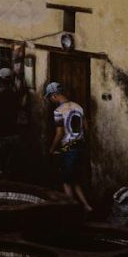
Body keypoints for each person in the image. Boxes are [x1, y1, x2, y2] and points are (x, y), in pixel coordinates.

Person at [45, 82, 92, 213]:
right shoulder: (78, 107)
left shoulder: (58, 111)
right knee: (74, 180)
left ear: (54, 95)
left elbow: (60, 133)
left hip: (68, 148)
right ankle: (86, 206)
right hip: (80, 146)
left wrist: (52, 148)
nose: (51, 100)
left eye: (50, 97)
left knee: (66, 181)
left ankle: (71, 210)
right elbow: (86, 128)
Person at [0, 68, 22, 178]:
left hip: (1, 133)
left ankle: (1, 178)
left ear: (1, 81)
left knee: (0, 162)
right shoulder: (17, 97)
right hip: (15, 134)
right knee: (11, 162)